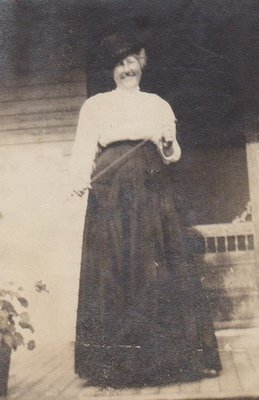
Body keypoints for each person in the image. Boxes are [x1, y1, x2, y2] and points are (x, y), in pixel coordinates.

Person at [71, 35, 222, 388]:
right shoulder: (95, 105)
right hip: (111, 194)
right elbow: (83, 149)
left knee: (158, 265)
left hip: (152, 191)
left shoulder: (158, 104)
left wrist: (168, 143)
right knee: (115, 266)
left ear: (142, 62)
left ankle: (167, 360)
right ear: (111, 69)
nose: (126, 69)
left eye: (131, 62)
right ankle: (116, 365)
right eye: (119, 63)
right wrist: (79, 179)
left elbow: (173, 154)